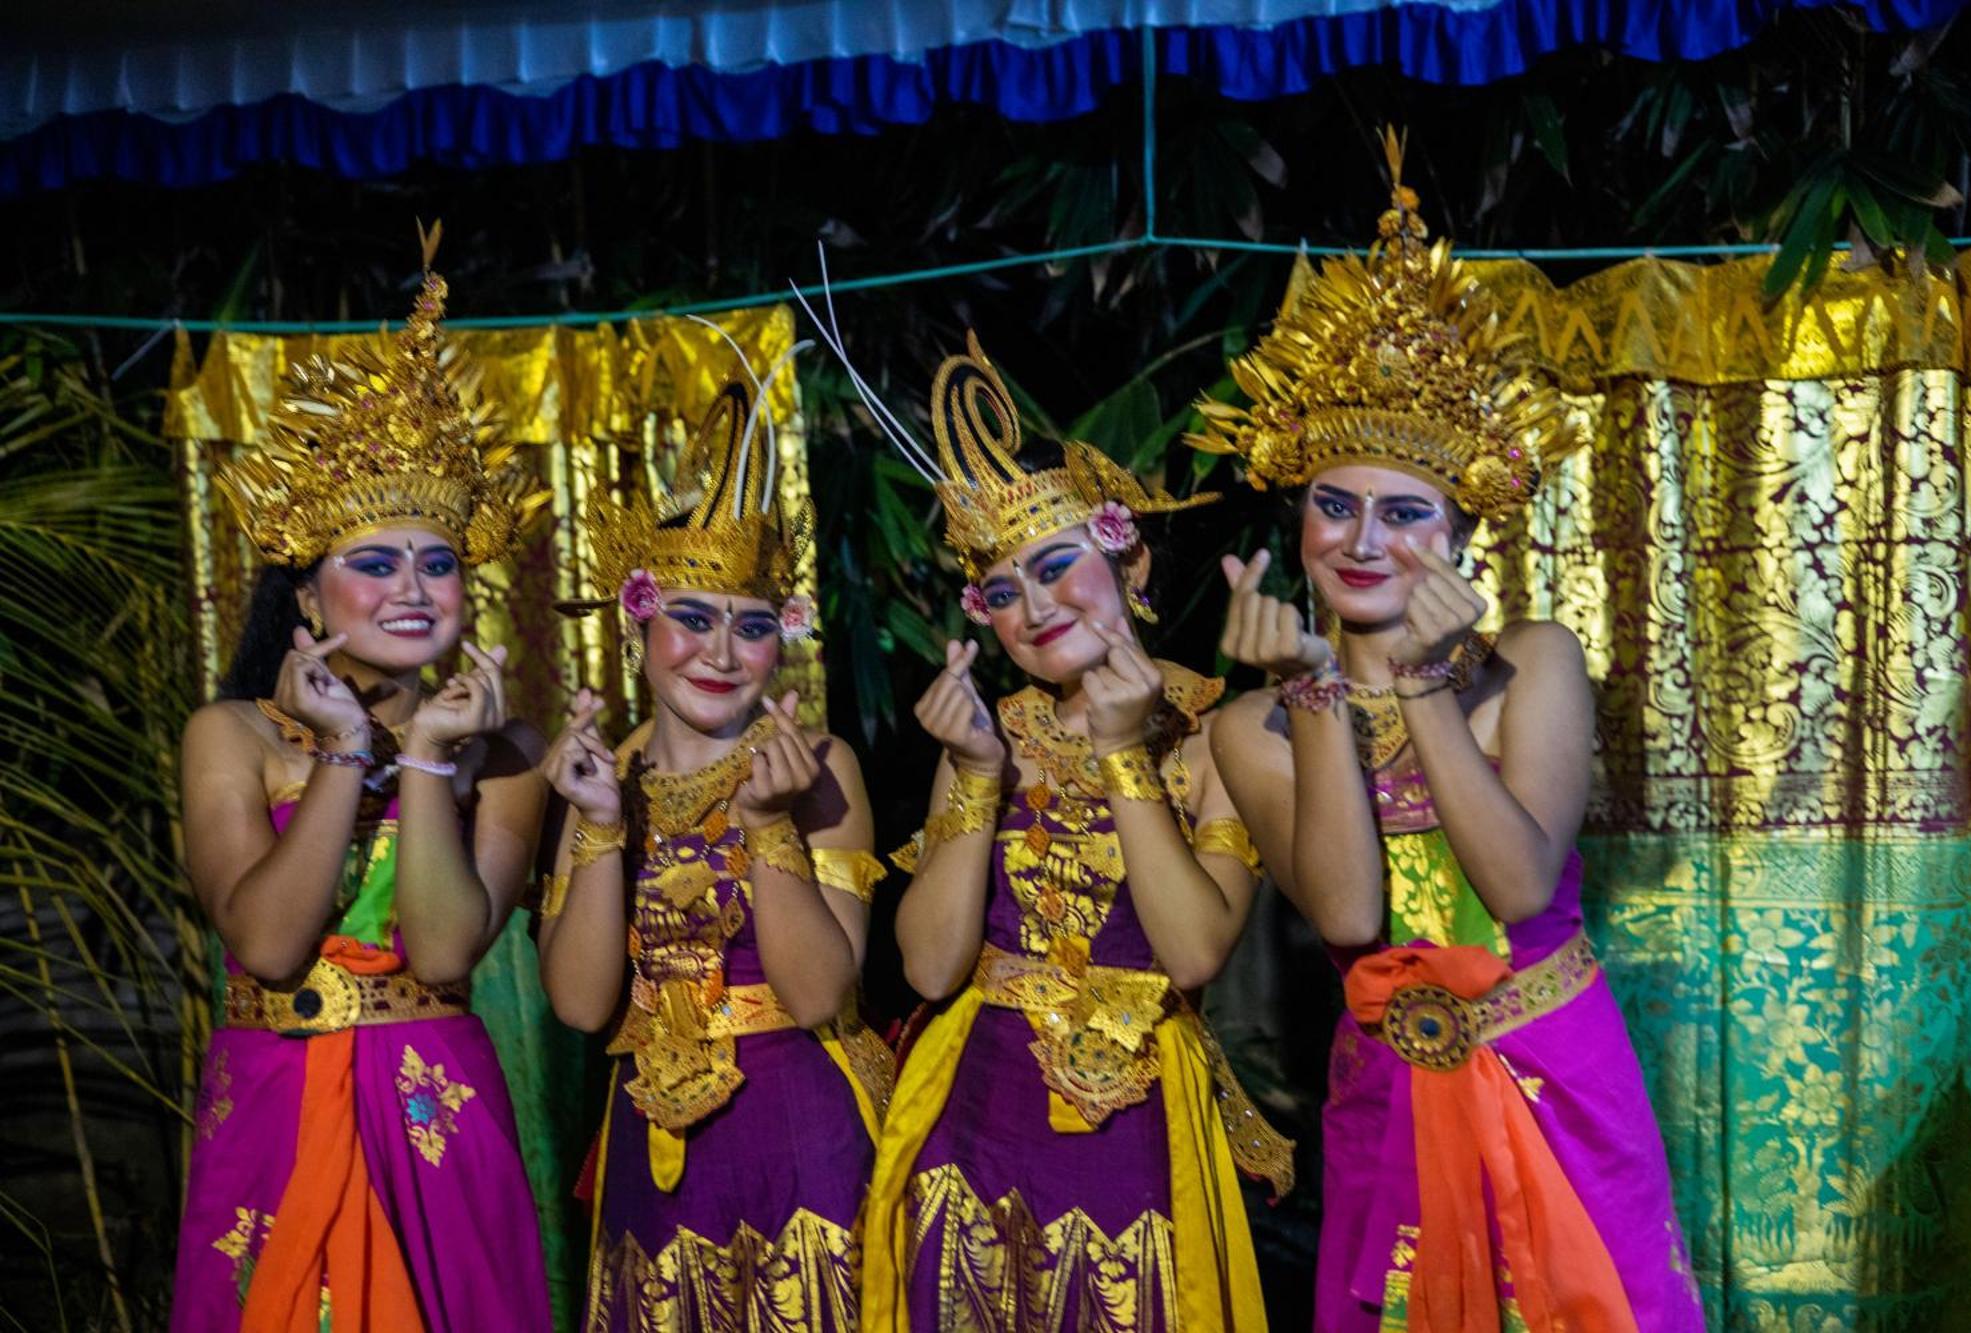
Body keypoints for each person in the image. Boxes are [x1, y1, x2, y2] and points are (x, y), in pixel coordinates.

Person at [1188, 132, 1704, 1332]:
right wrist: (1321, 688)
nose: (1364, 540)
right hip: (1389, 1090)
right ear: (1300, 517)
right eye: (1335, 505)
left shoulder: (1530, 661)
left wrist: (1418, 681)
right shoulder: (1252, 722)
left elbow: (1518, 884)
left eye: (1405, 512)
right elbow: (1350, 918)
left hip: (1554, 1072)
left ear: (1462, 534)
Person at [796, 287, 1292, 1330]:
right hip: (977, 1111)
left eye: (1055, 568)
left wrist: (1122, 757)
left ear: (1133, 563)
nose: (1033, 608)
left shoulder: (1212, 734)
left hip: (1139, 1118)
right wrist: (973, 772)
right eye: (999, 590)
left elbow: (1194, 952)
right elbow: (929, 970)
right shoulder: (994, 738)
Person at [170, 228, 554, 1332]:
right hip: (274, 1101)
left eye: (436, 561)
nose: (411, 587)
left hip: (432, 1097)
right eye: (373, 563)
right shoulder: (229, 734)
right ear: (305, 599)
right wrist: (344, 752)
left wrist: (428, 758)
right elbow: (269, 942)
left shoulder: (507, 754)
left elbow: (440, 953)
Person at [536, 356, 892, 1332]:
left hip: (801, 1121)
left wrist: (769, 825)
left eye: (751, 626)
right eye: (692, 619)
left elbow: (823, 993)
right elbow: (577, 1002)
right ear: (639, 616)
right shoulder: (602, 773)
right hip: (651, 1131)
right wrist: (603, 828)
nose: (721, 654)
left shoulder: (820, 768)